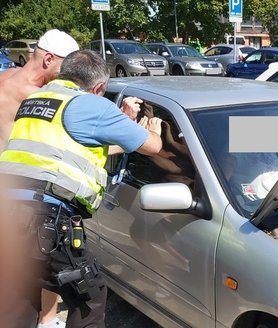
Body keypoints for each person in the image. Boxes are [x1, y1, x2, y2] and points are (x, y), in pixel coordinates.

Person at [0, 49, 162, 327]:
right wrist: (153, 129)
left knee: (19, 295)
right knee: (89, 295)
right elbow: (153, 147)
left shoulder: (37, 99)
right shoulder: (91, 105)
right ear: (98, 87)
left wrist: (119, 124)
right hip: (43, 218)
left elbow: (74, 144)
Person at [0, 29, 80, 328]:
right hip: (22, 191)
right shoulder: (39, 98)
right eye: (65, 68)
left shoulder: (4, 79)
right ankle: (47, 321)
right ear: (48, 59)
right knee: (45, 255)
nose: (68, 77)